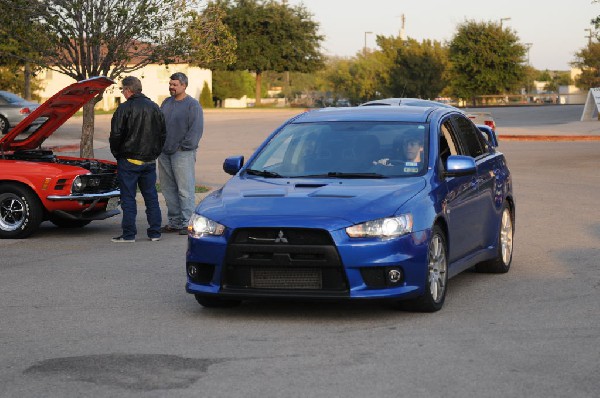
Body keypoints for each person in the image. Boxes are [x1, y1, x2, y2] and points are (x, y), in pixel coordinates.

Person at [109, 76, 166, 243]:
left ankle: (129, 234)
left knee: (128, 198)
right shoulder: (155, 107)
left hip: (129, 160)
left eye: (122, 90)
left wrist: (117, 154)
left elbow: (116, 135)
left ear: (128, 90)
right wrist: (155, 152)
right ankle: (155, 232)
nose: (123, 93)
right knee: (151, 197)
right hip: (149, 160)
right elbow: (162, 134)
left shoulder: (124, 108)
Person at [157, 72, 204, 235]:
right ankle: (175, 221)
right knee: (168, 189)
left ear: (184, 86)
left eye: (175, 84)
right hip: (164, 153)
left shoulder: (193, 105)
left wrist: (184, 147)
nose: (171, 87)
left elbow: (196, 129)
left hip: (182, 153)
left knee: (185, 189)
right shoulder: (166, 103)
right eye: (170, 84)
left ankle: (187, 223)